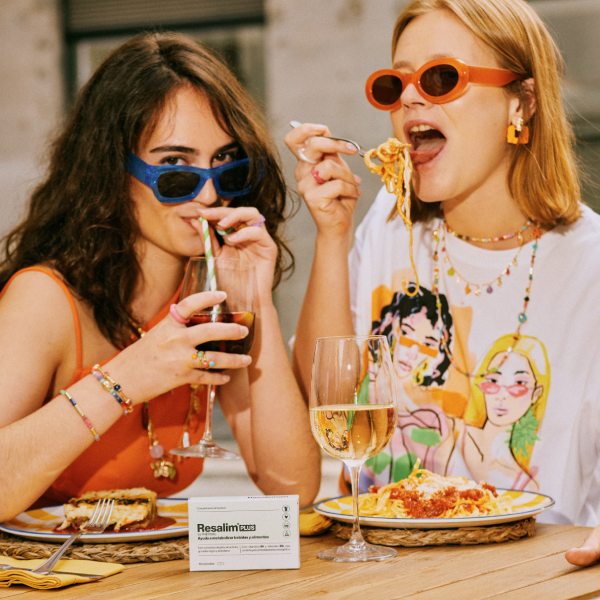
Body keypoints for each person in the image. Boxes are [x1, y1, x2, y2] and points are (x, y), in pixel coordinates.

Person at [285, 0, 600, 567]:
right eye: (393, 83)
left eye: (439, 77)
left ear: (521, 101)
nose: (409, 98)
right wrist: (331, 236)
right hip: (376, 572)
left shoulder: (590, 264)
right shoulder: (387, 221)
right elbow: (327, 401)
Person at [0, 31, 320, 521]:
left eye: (226, 164)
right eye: (175, 167)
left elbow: (293, 486)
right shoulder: (44, 300)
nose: (211, 195)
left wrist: (258, 302)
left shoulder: (203, 295)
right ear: (111, 171)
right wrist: (128, 376)